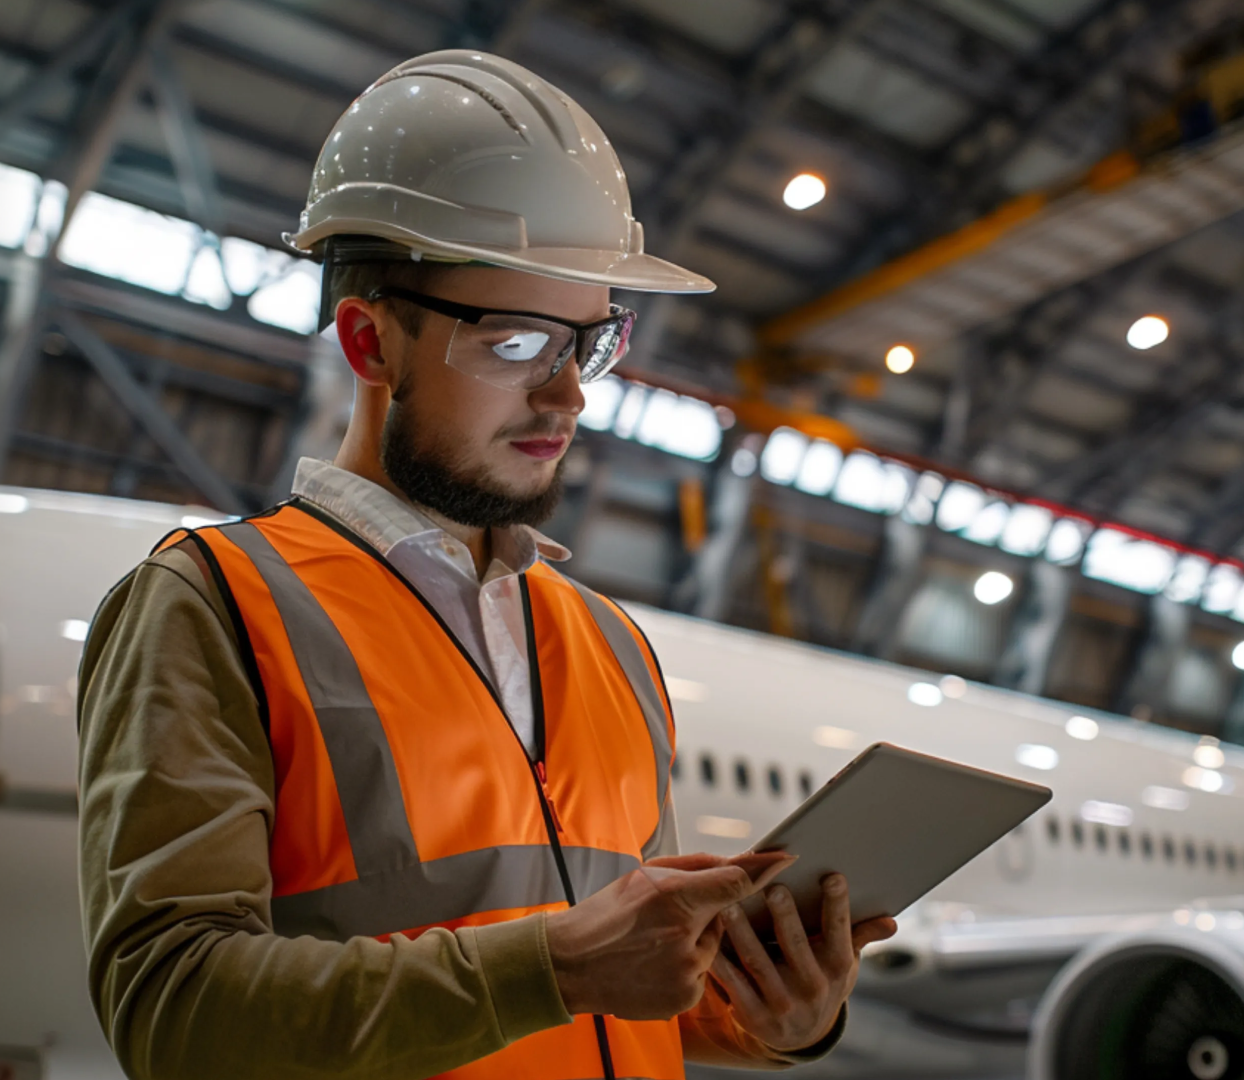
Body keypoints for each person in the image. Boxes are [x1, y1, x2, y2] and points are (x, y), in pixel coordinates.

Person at [76, 51, 895, 1080]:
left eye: (588, 345)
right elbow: (173, 1015)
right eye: (516, 345)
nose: (567, 399)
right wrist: (552, 968)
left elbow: (630, 998)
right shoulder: (215, 606)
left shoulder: (610, 646)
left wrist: (771, 1021)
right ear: (369, 343)